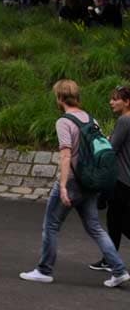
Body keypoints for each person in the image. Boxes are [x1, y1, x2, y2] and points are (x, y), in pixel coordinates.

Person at [20, 80, 130, 287]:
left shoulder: (64, 121)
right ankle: (119, 270)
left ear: (60, 98)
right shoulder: (90, 118)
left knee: (51, 225)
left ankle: (44, 270)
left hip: (72, 180)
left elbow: (65, 156)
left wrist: (62, 186)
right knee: (95, 227)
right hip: (89, 181)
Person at [95, 85, 130, 271]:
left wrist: (101, 139)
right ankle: (110, 259)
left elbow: (112, 149)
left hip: (121, 179)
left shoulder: (125, 120)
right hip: (126, 179)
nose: (111, 102)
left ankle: (111, 259)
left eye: (116, 99)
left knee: (122, 222)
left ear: (127, 102)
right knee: (114, 219)